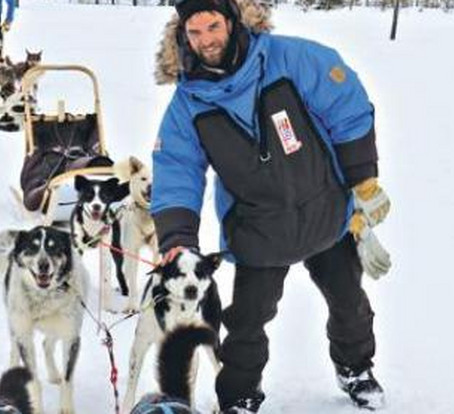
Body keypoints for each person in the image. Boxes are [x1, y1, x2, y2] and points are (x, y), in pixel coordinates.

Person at [150, 0, 391, 412]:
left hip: (325, 211)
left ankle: (355, 368)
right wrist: (177, 236)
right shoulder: (189, 103)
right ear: (181, 35)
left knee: (349, 303)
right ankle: (239, 397)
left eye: (213, 26)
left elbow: (346, 104)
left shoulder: (289, 58)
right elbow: (177, 168)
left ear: (231, 20)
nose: (206, 39)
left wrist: (363, 178)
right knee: (245, 324)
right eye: (195, 32)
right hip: (258, 228)